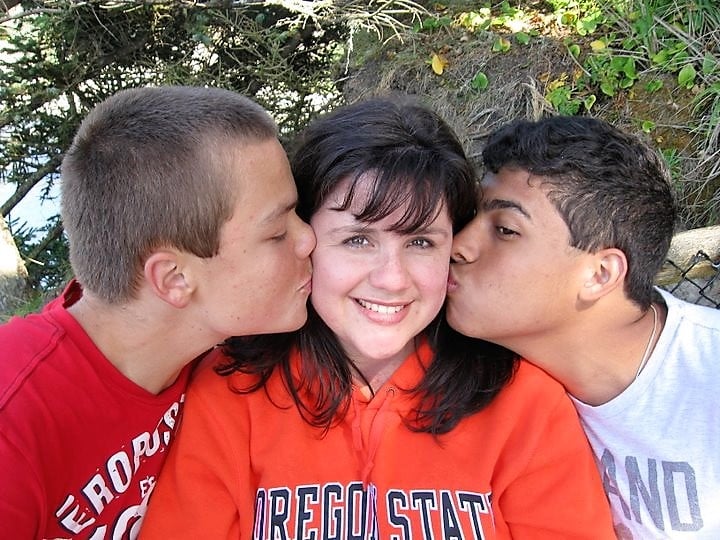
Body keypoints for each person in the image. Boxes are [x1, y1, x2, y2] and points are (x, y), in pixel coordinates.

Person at [140, 97, 614, 539]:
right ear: (304, 239)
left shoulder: (521, 404)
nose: (392, 279)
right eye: (358, 240)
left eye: (421, 242)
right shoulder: (231, 393)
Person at [0, 85, 315, 539]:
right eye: (277, 232)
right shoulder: (16, 418)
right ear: (174, 279)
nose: (309, 239)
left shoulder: (217, 355)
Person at [446, 114, 720, 539]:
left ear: (599, 275)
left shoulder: (708, 381)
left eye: (504, 230)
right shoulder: (465, 377)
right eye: (472, 216)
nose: (458, 245)